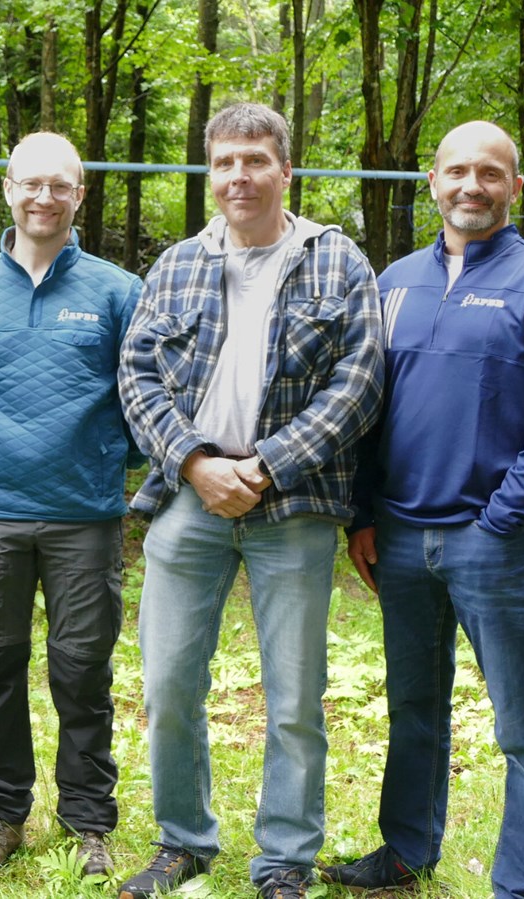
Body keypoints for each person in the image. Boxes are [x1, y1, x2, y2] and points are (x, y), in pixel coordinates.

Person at [322, 121, 524, 899]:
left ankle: (519, 884)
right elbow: (365, 409)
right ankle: (406, 853)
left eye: (490, 172)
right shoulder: (394, 282)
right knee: (415, 706)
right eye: (456, 172)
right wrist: (362, 516)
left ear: (517, 186)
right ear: (433, 181)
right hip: (400, 539)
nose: (470, 186)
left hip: (496, 541)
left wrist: (507, 515)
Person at [115, 102, 384, 899]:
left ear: (285, 170)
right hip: (189, 498)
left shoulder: (338, 262)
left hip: (292, 506)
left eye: (256, 160)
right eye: (226, 161)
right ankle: (183, 841)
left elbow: (360, 383)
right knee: (167, 683)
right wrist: (196, 462)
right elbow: (137, 375)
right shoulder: (175, 265)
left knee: (295, 696)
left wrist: (265, 466)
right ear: (210, 172)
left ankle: (284, 861)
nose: (240, 175)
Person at [0, 132, 142, 877]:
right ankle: (1, 811)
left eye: (60, 186)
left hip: (85, 513)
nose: (44, 198)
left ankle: (89, 819)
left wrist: (100, 460)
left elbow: (138, 396)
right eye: (31, 184)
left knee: (82, 668)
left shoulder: (118, 291)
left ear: (79, 195)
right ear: (7, 188)